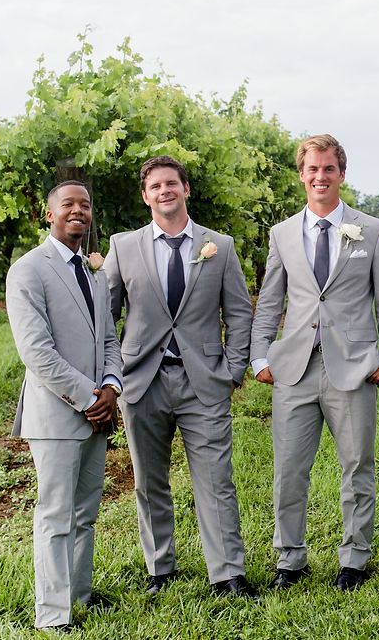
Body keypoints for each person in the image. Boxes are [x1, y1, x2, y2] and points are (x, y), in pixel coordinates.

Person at [250, 134, 379, 591]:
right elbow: (270, 300)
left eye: (329, 169)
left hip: (353, 367)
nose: (320, 177)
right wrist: (260, 355)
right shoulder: (281, 234)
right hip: (293, 368)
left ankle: (354, 559)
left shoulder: (372, 230)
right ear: (301, 174)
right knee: (288, 469)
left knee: (357, 465)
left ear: (341, 173)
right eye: (312, 169)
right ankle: (289, 560)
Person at [104, 155, 257, 599]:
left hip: (204, 381)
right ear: (145, 195)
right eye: (155, 186)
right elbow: (106, 318)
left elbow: (240, 313)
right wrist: (114, 376)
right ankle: (161, 568)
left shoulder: (219, 246)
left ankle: (228, 574)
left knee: (216, 480)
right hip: (142, 381)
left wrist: (233, 369)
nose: (164, 191)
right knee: (149, 481)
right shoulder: (123, 246)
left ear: (185, 189)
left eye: (172, 183)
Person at [5, 180, 123, 633]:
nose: (79, 211)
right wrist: (89, 395)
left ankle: (79, 596)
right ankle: (52, 616)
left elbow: (109, 337)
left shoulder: (93, 271)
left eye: (86, 205)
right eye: (68, 204)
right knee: (55, 514)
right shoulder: (28, 270)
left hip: (98, 412)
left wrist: (111, 387)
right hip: (57, 415)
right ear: (48, 214)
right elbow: (36, 351)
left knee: (86, 513)